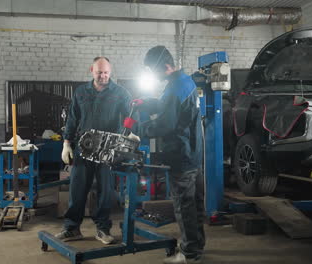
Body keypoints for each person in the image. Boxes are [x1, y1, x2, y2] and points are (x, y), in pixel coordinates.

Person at [124, 46, 205, 264]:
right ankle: (197, 247)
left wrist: (137, 132)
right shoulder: (185, 82)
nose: (154, 75)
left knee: (184, 206)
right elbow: (171, 109)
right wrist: (148, 102)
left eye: (154, 71)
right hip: (195, 155)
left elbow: (165, 124)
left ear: (166, 67)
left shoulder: (173, 89)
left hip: (181, 155)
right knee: (195, 205)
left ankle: (189, 254)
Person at [58, 56, 132, 245]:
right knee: (77, 189)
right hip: (84, 147)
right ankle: (72, 228)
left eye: (106, 72)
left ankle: (102, 229)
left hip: (108, 149)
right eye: (99, 72)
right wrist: (66, 143)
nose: (103, 76)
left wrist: (130, 134)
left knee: (105, 190)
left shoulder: (120, 93)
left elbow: (131, 116)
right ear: (92, 70)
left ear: (110, 71)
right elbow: (73, 119)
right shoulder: (81, 92)